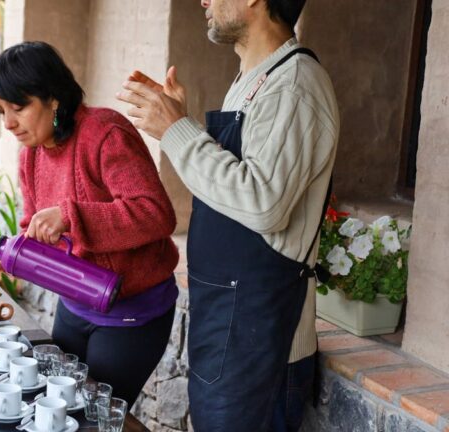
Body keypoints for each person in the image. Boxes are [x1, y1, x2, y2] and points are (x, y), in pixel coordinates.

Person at [117, 0, 339, 430]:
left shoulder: (293, 83)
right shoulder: (257, 78)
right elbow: (236, 186)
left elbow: (264, 202)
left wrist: (176, 131)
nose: (203, 0)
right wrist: (182, 125)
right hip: (230, 326)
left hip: (262, 339)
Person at [0, 41, 180, 408]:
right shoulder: (31, 155)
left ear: (54, 99)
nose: (8, 123)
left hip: (132, 312)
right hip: (76, 303)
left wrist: (70, 215)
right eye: (1, 111)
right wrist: (3, 252)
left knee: (92, 416)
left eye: (18, 107)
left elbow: (156, 214)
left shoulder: (105, 133)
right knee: (55, 406)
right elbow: (38, 235)